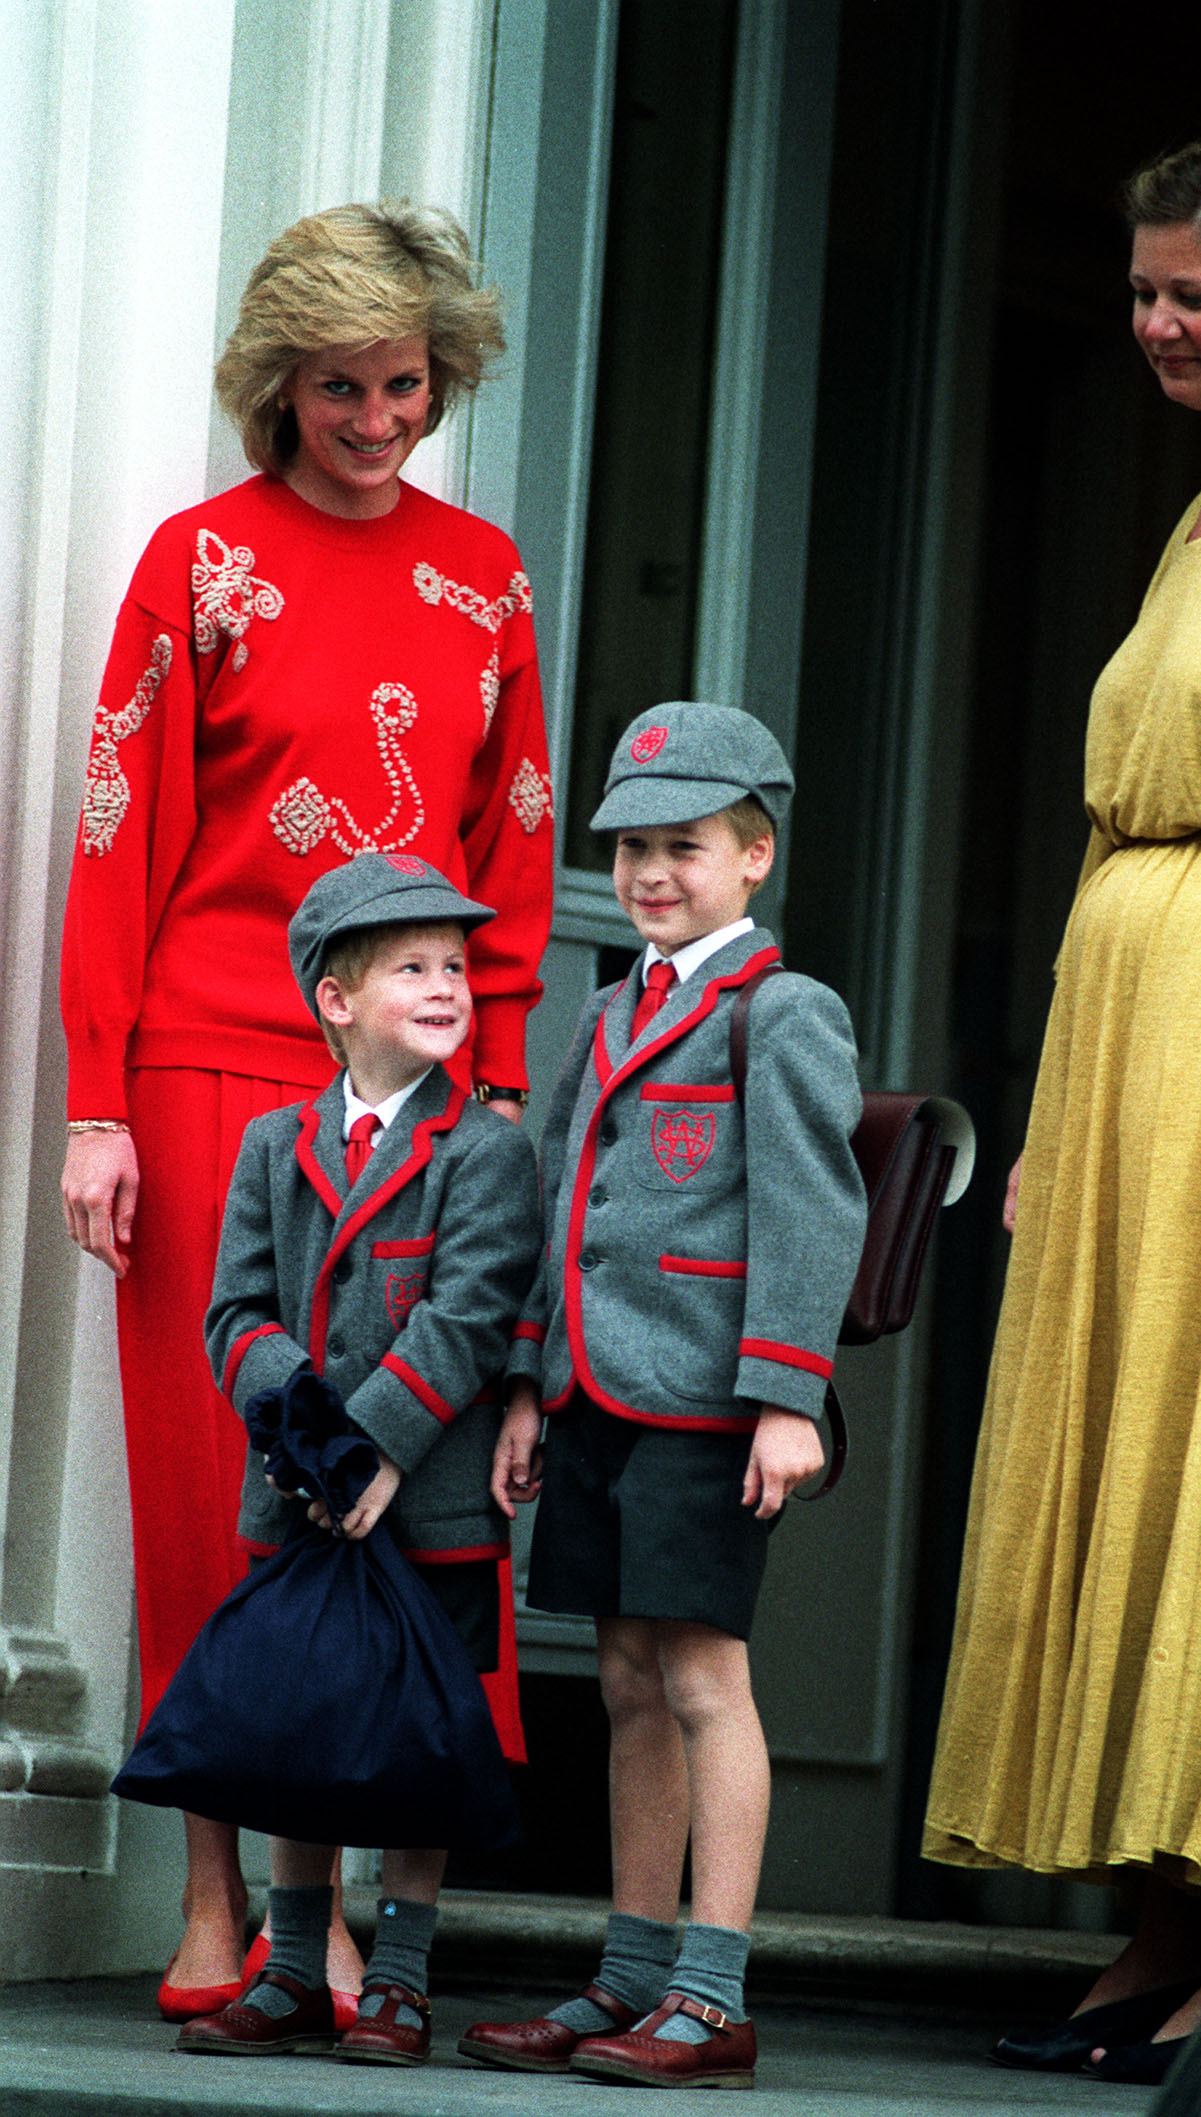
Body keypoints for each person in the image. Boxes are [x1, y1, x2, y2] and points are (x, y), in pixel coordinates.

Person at [59, 202, 552, 2019]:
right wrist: (95, 1100)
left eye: (403, 385)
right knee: (222, 1491)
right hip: (205, 1063)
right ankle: (234, 1913)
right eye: (338, 387)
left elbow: (507, 849)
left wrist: (487, 1086)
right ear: (278, 385)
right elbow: (118, 846)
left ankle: (356, 1906)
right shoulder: (198, 564)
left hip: (418, 1094)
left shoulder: (483, 577)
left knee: (396, 1484)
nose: (373, 420)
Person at [923, 137, 1201, 2086]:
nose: (1153, 325)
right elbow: (1120, 816)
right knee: (1122, 1455)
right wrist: (1045, 1110)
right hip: (1124, 1033)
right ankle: (1147, 1924)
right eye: (1135, 294)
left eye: (1189, 291)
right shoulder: (1198, 515)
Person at [459, 703, 869, 2089]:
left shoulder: (781, 1011)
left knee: (701, 1675)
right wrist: (524, 1380)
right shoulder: (604, 1010)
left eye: (682, 847)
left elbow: (813, 1213)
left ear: (753, 857)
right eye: (631, 848)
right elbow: (550, 1201)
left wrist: (787, 1395)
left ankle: (711, 1988)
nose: (648, 873)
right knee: (625, 1679)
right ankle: (628, 1977)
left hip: (708, 1401)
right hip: (589, 1391)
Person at [174, 853, 540, 2066]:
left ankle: (397, 1976)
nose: (447, 986)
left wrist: (370, 1445)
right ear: (335, 999)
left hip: (426, 1494)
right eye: (414, 968)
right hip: (299, 1492)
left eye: (457, 967)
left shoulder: (482, 1148)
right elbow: (237, 1314)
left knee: (418, 1739)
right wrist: (315, 1449)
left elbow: (470, 1309)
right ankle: (288, 1969)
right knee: (300, 1726)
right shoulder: (274, 1144)